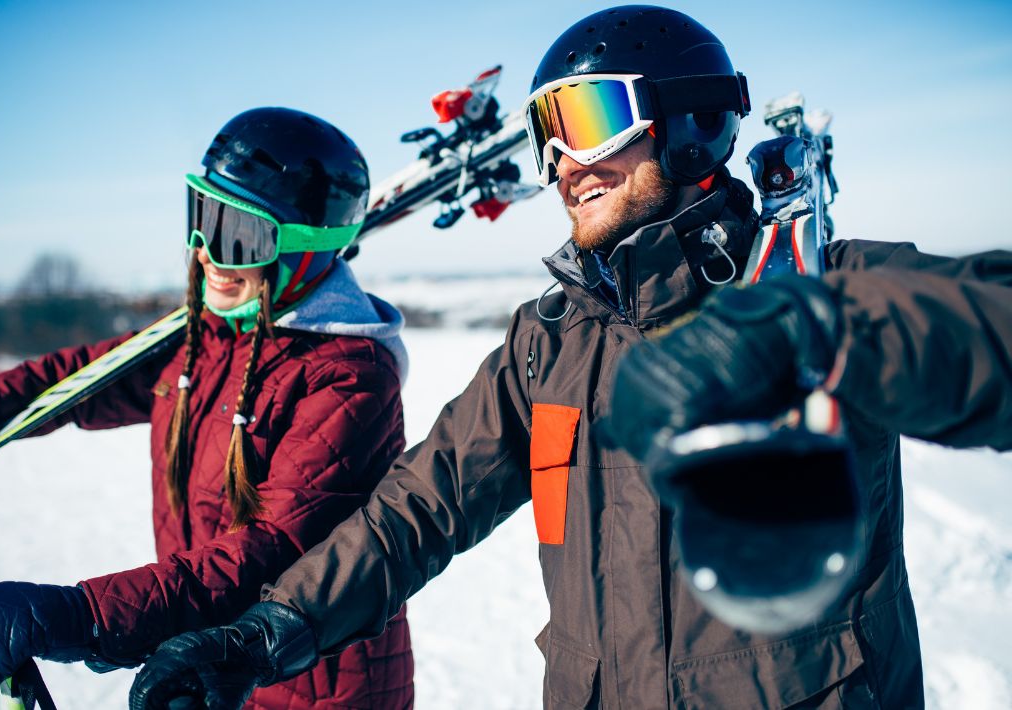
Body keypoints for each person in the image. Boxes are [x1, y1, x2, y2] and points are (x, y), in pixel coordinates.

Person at [129, 7, 1012, 710]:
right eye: (546, 131)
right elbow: (414, 510)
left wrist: (824, 329)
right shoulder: (548, 344)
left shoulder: (831, 281)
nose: (562, 163)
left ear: (689, 122)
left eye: (588, 121)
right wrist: (271, 629)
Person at [0, 108, 415, 709]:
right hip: (213, 663)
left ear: (304, 249)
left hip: (316, 686)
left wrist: (77, 614)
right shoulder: (210, 339)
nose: (207, 251)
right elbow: (80, 380)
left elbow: (266, 555)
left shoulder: (347, 377)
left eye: (237, 234)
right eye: (202, 216)